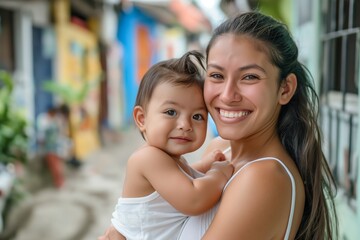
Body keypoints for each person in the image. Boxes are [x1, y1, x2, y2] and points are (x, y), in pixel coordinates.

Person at [100, 11, 338, 240]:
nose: (227, 95)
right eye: (216, 75)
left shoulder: (263, 177)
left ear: (285, 88)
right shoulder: (221, 150)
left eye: (249, 77)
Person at [107, 50, 234, 240]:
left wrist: (204, 165)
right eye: (171, 112)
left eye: (197, 116)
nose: (185, 125)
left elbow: (179, 178)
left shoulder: (169, 160)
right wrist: (218, 173)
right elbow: (194, 199)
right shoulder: (147, 158)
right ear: (142, 118)